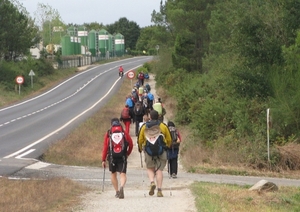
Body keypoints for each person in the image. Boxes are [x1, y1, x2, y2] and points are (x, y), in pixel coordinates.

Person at [137, 110, 172, 197]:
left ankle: (152, 182)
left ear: (150, 117)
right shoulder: (163, 126)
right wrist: (167, 146)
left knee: (150, 168)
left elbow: (140, 139)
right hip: (161, 150)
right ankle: (159, 190)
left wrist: (140, 148)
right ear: (158, 117)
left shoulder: (144, 126)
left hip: (148, 151)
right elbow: (169, 139)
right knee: (159, 170)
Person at [101, 118, 133, 199]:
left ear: (111, 124)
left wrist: (103, 159)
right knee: (122, 174)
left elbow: (105, 147)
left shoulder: (109, 133)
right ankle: (122, 186)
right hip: (122, 156)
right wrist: (127, 153)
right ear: (119, 123)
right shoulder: (124, 132)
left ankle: (117, 191)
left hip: (112, 156)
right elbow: (131, 144)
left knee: (113, 173)